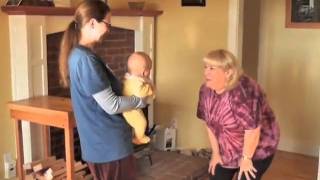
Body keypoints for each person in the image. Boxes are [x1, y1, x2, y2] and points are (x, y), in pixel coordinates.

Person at [58, 1, 148, 179]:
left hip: (101, 146)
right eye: (107, 23)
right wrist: (140, 101)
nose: (109, 29)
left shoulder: (79, 55)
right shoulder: (85, 60)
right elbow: (112, 105)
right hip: (109, 147)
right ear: (92, 23)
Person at [197, 49, 280, 180]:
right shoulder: (205, 90)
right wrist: (216, 153)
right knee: (216, 175)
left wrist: (246, 158)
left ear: (228, 72)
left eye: (212, 68)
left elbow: (252, 130)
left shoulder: (244, 93)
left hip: (258, 146)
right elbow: (209, 124)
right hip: (228, 146)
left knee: (245, 177)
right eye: (205, 67)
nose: (206, 72)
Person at [122, 52, 155, 145]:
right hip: (129, 110)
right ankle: (138, 138)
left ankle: (136, 135)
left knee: (138, 122)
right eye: (149, 70)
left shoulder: (131, 79)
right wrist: (149, 89)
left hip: (131, 106)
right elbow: (140, 93)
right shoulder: (136, 82)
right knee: (142, 122)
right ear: (145, 72)